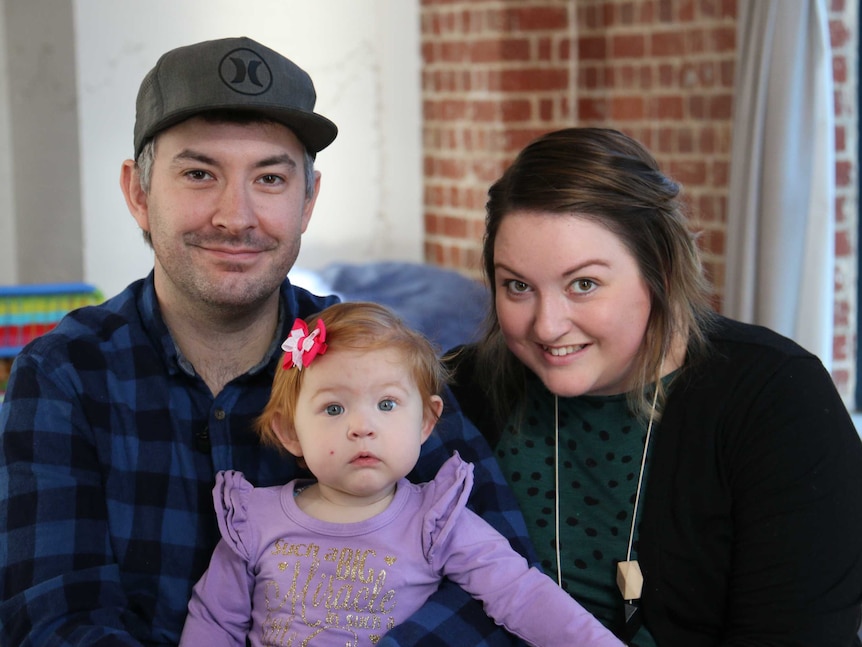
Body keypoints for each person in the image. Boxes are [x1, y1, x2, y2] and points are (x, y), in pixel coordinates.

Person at [0, 37, 530, 646]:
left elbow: (503, 585)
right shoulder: (66, 375)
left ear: (308, 200)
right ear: (138, 194)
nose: (237, 216)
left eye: (271, 178)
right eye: (199, 174)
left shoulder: (372, 360)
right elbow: (56, 619)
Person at [443, 127, 862, 646]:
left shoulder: (778, 399)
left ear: (658, 269)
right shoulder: (461, 392)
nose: (547, 326)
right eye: (518, 286)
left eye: (584, 284)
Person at [179, 301, 624, 647]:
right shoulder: (254, 521)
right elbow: (214, 620)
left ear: (426, 424)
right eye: (334, 408)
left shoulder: (436, 522)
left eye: (387, 405)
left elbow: (521, 594)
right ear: (291, 432)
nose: (362, 426)